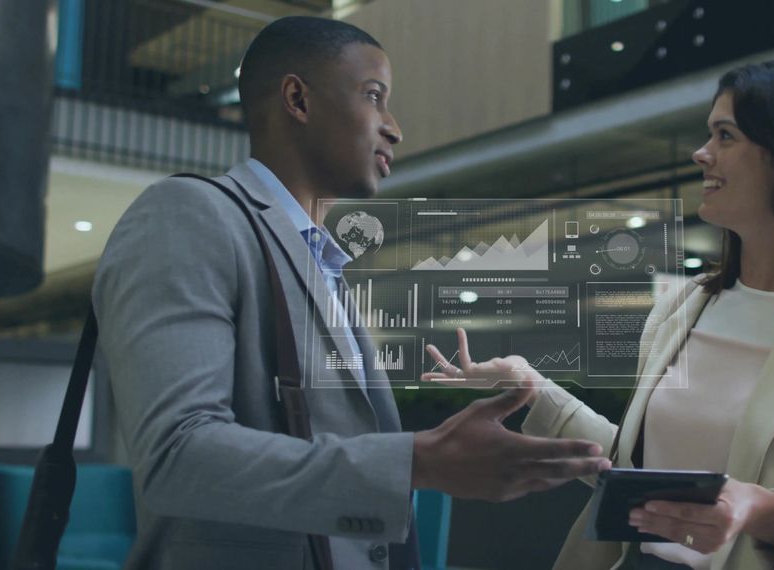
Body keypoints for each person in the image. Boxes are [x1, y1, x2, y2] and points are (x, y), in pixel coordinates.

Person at [92, 16, 610, 570]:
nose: (394, 128)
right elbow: (177, 456)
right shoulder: (189, 216)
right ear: (298, 98)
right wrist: (417, 462)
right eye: (373, 96)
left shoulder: (319, 259)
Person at [423, 61, 774, 569]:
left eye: (725, 135)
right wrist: (530, 386)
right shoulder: (686, 306)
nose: (701, 153)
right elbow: (638, 473)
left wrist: (767, 511)